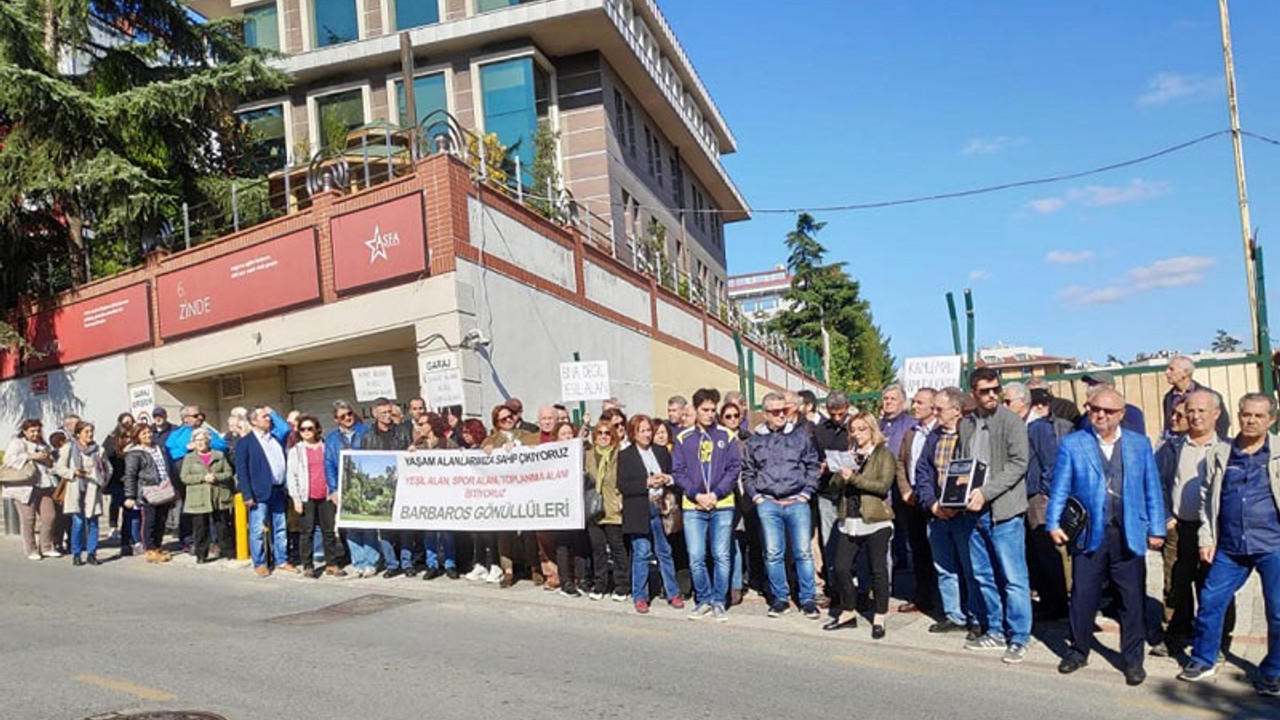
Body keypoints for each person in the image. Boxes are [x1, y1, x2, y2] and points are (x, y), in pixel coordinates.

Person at [1049, 387, 1165, 686]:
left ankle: (1132, 660)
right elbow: (1060, 487)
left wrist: (1157, 528)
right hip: (1089, 534)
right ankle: (1078, 650)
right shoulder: (1074, 444)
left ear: (1121, 414)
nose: (1100, 415)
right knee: (1083, 597)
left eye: (1108, 411)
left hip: (1128, 532)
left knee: (1131, 600)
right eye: (1095, 409)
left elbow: (1151, 488)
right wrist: (1053, 523)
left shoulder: (1139, 444)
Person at [1178, 393, 1280, 697]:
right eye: (1246, 414)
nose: (1250, 421)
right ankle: (1203, 659)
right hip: (1231, 547)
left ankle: (1273, 671)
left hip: (1272, 545)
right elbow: (1208, 501)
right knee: (1210, 601)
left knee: (1277, 612)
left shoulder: (1277, 452)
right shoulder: (1222, 453)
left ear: (1271, 420)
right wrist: (1207, 538)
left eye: (1258, 416)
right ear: (1238, 415)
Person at [1154, 390, 1234, 657]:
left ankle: (1217, 641)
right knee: (1175, 585)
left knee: (1213, 586)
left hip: (1214, 531)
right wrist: (1166, 517)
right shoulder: (1171, 448)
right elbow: (1158, 486)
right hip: (1179, 528)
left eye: (1202, 410)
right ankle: (1174, 634)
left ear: (1216, 414)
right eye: (1191, 410)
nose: (1195, 416)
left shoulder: (1228, 450)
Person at [960, 368, 1032, 663]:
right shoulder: (967, 424)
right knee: (983, 575)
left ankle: (1019, 637)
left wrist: (986, 493)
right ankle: (995, 630)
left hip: (1005, 512)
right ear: (973, 394)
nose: (992, 395)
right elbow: (965, 464)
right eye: (985, 391)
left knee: (1014, 578)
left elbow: (1018, 465)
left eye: (995, 389)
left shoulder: (1011, 421)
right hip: (973, 512)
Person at [743, 391, 821, 619]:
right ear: (765, 414)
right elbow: (748, 472)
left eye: (783, 410)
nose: (780, 415)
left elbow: (812, 466)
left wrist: (806, 493)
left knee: (803, 552)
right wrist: (757, 497)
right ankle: (780, 599)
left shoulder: (800, 437)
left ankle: (807, 599)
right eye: (775, 411)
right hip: (768, 503)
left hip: (797, 502)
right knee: (774, 553)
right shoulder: (755, 441)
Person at [673, 388, 742, 622]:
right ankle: (703, 599)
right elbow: (679, 472)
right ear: (695, 410)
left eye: (713, 410)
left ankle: (719, 601)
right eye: (705, 410)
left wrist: (717, 493)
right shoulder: (683, 438)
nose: (710, 414)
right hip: (693, 506)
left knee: (721, 554)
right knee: (696, 556)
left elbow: (734, 468)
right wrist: (697, 495)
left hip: (722, 504)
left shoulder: (727, 436)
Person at [914, 387, 978, 636]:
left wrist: (957, 505)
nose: (935, 413)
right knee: (945, 567)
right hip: (937, 513)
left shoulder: (970, 435)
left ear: (956, 411)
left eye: (940, 409)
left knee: (970, 568)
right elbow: (923, 471)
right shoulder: (934, 436)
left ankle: (975, 615)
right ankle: (954, 614)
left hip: (963, 514)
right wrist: (931, 503)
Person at [826, 411, 896, 638]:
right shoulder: (850, 455)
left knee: (878, 569)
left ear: (872, 429)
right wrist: (839, 471)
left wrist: (854, 477)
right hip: (851, 519)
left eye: (861, 429)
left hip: (876, 519)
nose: (857, 434)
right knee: (841, 567)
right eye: (853, 430)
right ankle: (848, 612)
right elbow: (835, 488)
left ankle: (879, 616)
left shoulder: (883, 454)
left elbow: (882, 486)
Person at [618, 414, 682, 613]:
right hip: (639, 509)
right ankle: (640, 596)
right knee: (642, 553)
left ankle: (673, 592)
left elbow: (675, 475)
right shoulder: (626, 455)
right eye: (642, 431)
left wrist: (667, 479)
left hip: (661, 507)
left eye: (648, 430)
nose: (647, 434)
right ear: (633, 434)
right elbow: (623, 485)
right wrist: (646, 483)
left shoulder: (661, 451)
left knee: (665, 551)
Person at [1022, 387, 1070, 621]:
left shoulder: (1039, 427)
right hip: (1028, 495)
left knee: (1047, 550)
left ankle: (1057, 603)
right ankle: (1047, 599)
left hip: (1039, 498)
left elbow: (1051, 462)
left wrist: (1045, 491)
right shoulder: (1026, 427)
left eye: (1009, 401)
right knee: (1037, 551)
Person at [894, 387, 939, 615]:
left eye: (920, 403)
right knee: (919, 551)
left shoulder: (941, 431)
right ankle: (922, 597)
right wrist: (905, 489)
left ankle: (944, 600)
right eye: (915, 402)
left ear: (933, 406)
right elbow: (901, 462)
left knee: (939, 552)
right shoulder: (911, 432)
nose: (915, 407)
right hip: (912, 500)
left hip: (934, 501)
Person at [236, 406, 294, 577]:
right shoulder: (245, 442)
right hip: (258, 493)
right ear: (254, 421)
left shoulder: (274, 439)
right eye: (264, 417)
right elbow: (242, 471)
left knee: (281, 527)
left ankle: (281, 560)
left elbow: (285, 429)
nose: (268, 419)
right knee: (257, 530)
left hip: (277, 490)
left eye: (269, 417)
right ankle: (260, 563)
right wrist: (247, 494)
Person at [361, 398, 414, 578]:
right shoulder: (368, 436)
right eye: (383, 413)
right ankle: (392, 564)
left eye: (390, 412)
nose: (387, 416)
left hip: (402, 485)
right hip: (381, 487)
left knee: (405, 527)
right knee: (385, 528)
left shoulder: (402, 432)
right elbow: (364, 462)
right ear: (375, 414)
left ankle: (407, 563)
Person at [287, 415, 344, 577]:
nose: (306, 432)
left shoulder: (326, 447)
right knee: (307, 532)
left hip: (326, 495)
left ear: (317, 429)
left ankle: (331, 564)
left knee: (329, 531)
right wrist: (296, 499)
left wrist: (335, 491)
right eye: (303, 429)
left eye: (309, 428)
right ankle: (308, 565)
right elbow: (292, 477)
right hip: (307, 496)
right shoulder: (296, 451)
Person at [812, 391, 852, 607]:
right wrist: (821, 466)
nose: (837, 418)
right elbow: (814, 457)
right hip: (827, 492)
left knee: (853, 538)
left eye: (841, 414)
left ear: (848, 408)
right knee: (830, 542)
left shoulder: (855, 427)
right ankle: (834, 588)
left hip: (850, 491)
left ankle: (857, 588)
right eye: (833, 414)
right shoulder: (820, 431)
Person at [584, 419, 630, 601]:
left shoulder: (620, 454)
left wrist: (621, 499)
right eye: (600, 433)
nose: (603, 436)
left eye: (607, 433)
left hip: (613, 506)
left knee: (617, 548)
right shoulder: (588, 455)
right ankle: (600, 584)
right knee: (598, 549)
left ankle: (622, 585)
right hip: (593, 509)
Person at [412, 413, 459, 580]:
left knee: (446, 531)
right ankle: (432, 564)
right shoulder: (418, 446)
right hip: (426, 495)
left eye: (423, 423)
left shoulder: (448, 444)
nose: (420, 427)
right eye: (419, 423)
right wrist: (410, 454)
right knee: (429, 532)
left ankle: (450, 564)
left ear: (432, 424)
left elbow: (459, 464)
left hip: (445, 494)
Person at [3, 420, 59, 560]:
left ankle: (46, 546)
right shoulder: (17, 443)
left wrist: (47, 459)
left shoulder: (43, 445)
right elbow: (9, 460)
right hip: (24, 486)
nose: (36, 434)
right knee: (29, 519)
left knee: (49, 517)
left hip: (44, 485)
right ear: (25, 431)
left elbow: (51, 464)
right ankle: (31, 549)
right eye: (32, 431)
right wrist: (31, 456)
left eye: (38, 430)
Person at [122, 423, 178, 564]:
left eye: (149, 432)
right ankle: (150, 549)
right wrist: (130, 496)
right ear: (137, 437)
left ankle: (158, 547)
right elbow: (130, 475)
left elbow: (169, 468)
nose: (148, 435)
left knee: (161, 520)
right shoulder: (135, 453)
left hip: (164, 489)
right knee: (150, 520)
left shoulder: (160, 449)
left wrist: (175, 487)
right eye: (143, 434)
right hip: (147, 491)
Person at [179, 428, 234, 564]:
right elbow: (184, 477)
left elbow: (228, 472)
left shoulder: (219, 455)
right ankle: (201, 554)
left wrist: (216, 477)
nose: (200, 443)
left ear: (208, 441)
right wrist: (203, 477)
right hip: (198, 497)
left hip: (218, 495)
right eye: (197, 440)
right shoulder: (189, 458)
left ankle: (228, 551)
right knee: (200, 527)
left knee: (222, 525)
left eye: (203, 439)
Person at [552, 420, 588, 597]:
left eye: (569, 433)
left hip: (578, 503)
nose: (567, 437)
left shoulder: (580, 453)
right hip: (561, 503)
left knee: (579, 542)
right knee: (563, 544)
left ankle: (581, 579)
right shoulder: (551, 455)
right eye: (563, 434)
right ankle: (565, 581)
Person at [1162, 356, 1229, 440]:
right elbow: (1168, 427)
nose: (1166, 372)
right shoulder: (1168, 398)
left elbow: (1223, 424)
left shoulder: (1210, 396)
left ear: (1185, 373)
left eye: (1171, 369)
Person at [103, 412, 135, 548]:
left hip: (129, 478)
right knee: (116, 501)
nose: (128, 424)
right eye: (125, 422)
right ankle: (113, 526)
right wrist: (122, 451)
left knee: (129, 507)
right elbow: (107, 456)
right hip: (116, 477)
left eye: (130, 422)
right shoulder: (112, 438)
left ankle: (129, 536)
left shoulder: (133, 437)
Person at [1079, 371, 1145, 435]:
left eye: (1094, 384)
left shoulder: (1131, 412)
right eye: (1089, 385)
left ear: (1109, 387)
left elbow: (1136, 440)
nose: (1090, 388)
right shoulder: (1085, 417)